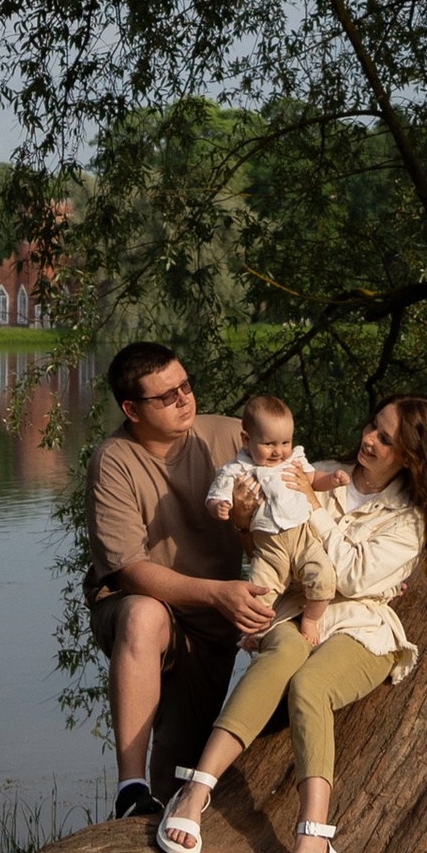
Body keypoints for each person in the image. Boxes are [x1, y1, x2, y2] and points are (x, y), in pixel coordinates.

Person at [152, 393, 427, 853]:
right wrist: (246, 518)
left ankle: (314, 843)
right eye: (372, 426)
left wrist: (310, 509)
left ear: (411, 456)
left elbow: (356, 577)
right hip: (296, 611)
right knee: (283, 658)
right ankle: (196, 790)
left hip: (364, 626)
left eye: (386, 439)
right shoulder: (315, 470)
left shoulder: (410, 517)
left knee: (310, 685)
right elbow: (270, 546)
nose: (369, 439)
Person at [84, 340, 272, 819]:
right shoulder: (114, 461)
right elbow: (129, 570)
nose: (185, 399)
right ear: (132, 409)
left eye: (186, 386)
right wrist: (217, 594)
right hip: (137, 606)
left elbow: (305, 480)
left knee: (179, 772)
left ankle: (153, 824)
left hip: (214, 623)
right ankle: (130, 787)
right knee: (145, 614)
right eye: (167, 395)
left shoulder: (233, 438)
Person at [203, 388, 346, 621]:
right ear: (247, 440)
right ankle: (255, 631)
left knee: (324, 575)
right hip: (268, 547)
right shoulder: (236, 470)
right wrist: (218, 506)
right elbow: (216, 495)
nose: (278, 451)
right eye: (269, 444)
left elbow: (312, 480)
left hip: (302, 536)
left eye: (285, 442)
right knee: (258, 592)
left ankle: (311, 620)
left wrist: (331, 480)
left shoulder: (294, 460)